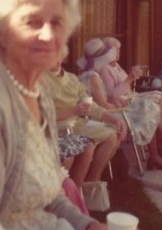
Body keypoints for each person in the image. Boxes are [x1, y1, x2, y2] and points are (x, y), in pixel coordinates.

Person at [0, 0, 106, 230]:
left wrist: (87, 225)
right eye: (32, 21)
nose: (47, 35)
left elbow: (49, 192)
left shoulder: (40, 95)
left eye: (57, 22)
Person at [77, 38, 162, 166]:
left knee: (150, 107)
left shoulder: (92, 74)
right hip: (108, 114)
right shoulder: (94, 76)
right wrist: (124, 91)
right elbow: (105, 102)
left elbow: (106, 100)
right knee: (147, 110)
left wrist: (118, 100)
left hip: (114, 107)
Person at [44, 47, 127, 182]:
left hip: (77, 122)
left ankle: (92, 179)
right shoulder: (40, 80)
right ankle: (90, 181)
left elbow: (92, 107)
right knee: (109, 137)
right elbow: (43, 114)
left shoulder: (72, 78)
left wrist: (114, 120)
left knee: (115, 132)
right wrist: (73, 111)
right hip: (60, 125)